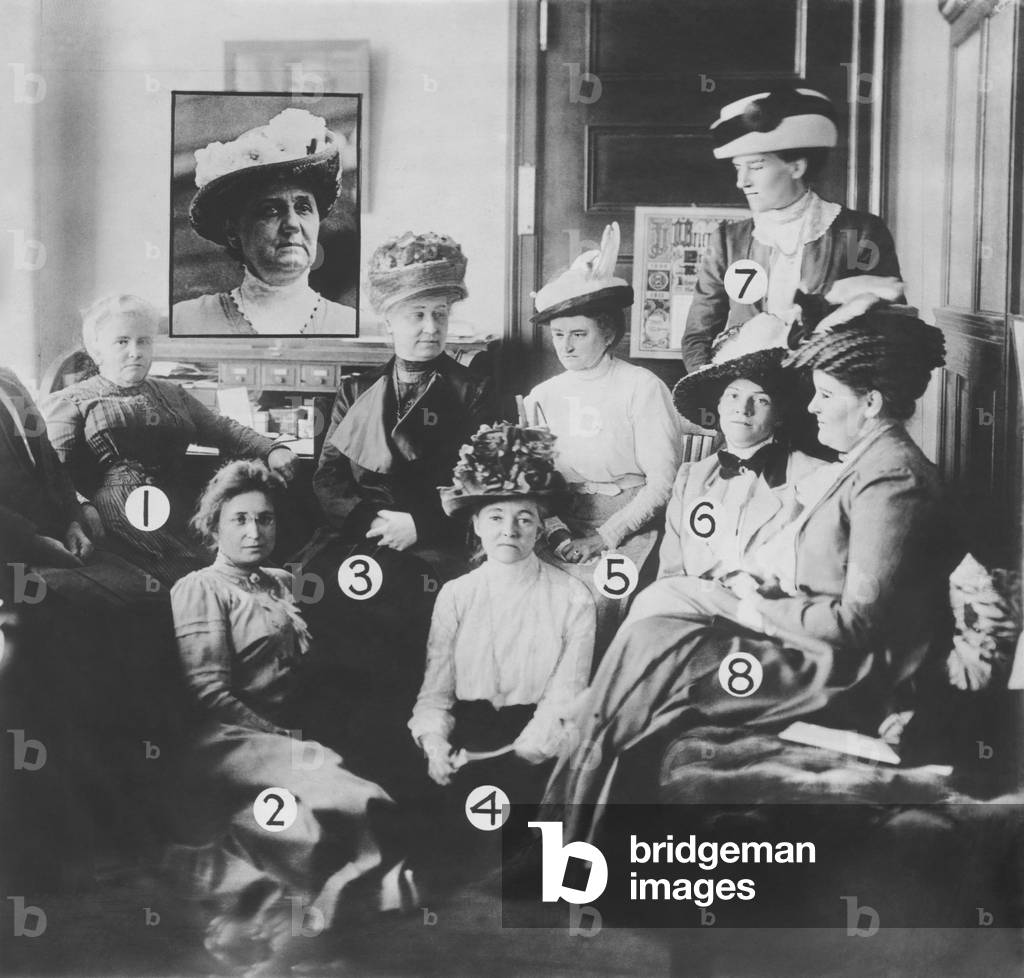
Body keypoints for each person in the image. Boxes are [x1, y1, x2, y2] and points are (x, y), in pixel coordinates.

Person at [542, 308, 959, 843]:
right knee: (650, 640)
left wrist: (750, 606)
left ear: (871, 403)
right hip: (803, 641)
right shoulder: (866, 463)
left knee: (653, 652)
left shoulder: (890, 477)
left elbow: (858, 623)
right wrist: (755, 597)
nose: (813, 406)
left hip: (841, 669)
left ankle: (570, 831)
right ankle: (572, 823)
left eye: (826, 396)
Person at [167, 460, 413, 973]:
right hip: (228, 737)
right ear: (214, 526)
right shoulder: (200, 587)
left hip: (281, 734)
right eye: (239, 520)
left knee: (341, 802)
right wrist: (283, 738)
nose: (255, 531)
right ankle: (292, 934)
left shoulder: (279, 581)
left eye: (265, 519)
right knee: (341, 795)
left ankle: (306, 935)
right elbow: (205, 689)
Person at [293, 232, 496, 791]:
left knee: (399, 602)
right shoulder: (357, 387)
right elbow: (328, 476)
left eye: (438, 314)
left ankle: (399, 758)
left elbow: (485, 481)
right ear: (389, 321)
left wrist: (421, 525)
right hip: (362, 532)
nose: (429, 327)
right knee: (319, 586)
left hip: (434, 538)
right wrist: (368, 524)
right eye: (415, 315)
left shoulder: (472, 390)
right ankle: (334, 751)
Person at [44, 294, 296, 586]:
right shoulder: (72, 400)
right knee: (206, 582)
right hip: (120, 514)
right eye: (122, 341)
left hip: (181, 505)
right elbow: (51, 470)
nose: (135, 352)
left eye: (144, 341)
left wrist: (272, 448)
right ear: (96, 348)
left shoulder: (171, 393)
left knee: (255, 572)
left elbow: (222, 429)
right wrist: (80, 507)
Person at [410, 423, 595, 798]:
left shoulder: (573, 597)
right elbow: (436, 694)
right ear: (476, 524)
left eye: (524, 518)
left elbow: (564, 699)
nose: (509, 530)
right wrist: (434, 745)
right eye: (495, 516)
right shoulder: (455, 595)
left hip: (534, 749)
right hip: (465, 738)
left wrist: (514, 758)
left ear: (541, 528)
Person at [525, 222, 684, 653]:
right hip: (561, 520)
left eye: (579, 334)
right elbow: (537, 483)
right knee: (523, 589)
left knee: (596, 599)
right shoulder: (544, 396)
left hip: (630, 525)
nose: (567, 347)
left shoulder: (642, 387)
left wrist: (604, 537)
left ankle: (589, 705)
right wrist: (557, 532)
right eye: (559, 335)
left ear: (609, 333)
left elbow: (663, 484)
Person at [681, 87, 904, 373]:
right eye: (738, 167)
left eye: (756, 166)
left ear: (796, 167)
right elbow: (698, 335)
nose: (742, 181)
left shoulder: (855, 234)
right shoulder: (728, 241)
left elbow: (888, 323)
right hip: (748, 398)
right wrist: (713, 387)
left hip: (826, 401)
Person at [623, 312, 826, 626]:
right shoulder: (691, 479)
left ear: (781, 414)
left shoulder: (814, 478)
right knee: (648, 619)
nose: (742, 410)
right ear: (717, 406)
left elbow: (811, 585)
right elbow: (670, 576)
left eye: (760, 400)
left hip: (768, 624)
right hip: (691, 619)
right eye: (732, 396)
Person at [172, 108, 356, 336]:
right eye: (270, 210)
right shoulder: (187, 320)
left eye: (304, 208)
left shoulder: (347, 324)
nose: (292, 224)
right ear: (233, 231)